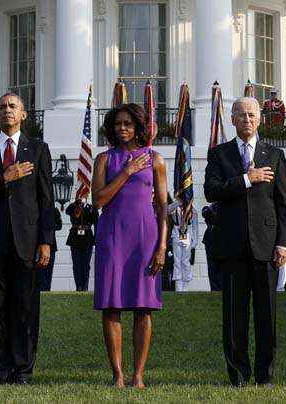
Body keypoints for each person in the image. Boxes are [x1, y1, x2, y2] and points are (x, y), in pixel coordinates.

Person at [0, 92, 55, 385]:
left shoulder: (38, 149)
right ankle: (0, 371)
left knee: (26, 308)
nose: (7, 111)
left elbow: (46, 200)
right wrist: (6, 177)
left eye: (13, 107)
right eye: (2, 107)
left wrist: (46, 241)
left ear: (24, 114)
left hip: (28, 243)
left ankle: (23, 370)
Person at [204, 97, 286, 388]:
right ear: (232, 119)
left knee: (267, 315)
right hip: (232, 245)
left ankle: (265, 375)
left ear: (260, 119)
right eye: (241, 115)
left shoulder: (275, 155)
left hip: (267, 246)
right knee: (234, 316)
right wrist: (246, 178)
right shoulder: (219, 154)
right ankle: (238, 375)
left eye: (252, 115)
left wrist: (283, 243)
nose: (247, 119)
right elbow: (211, 191)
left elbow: (283, 205)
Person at [92, 103, 167, 389]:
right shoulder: (103, 160)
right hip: (112, 237)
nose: (122, 129)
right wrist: (125, 171)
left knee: (143, 308)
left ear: (138, 127)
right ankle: (117, 375)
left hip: (145, 239)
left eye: (127, 124)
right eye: (117, 124)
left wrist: (161, 247)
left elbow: (163, 208)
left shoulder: (156, 159)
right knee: (111, 306)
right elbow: (98, 200)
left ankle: (138, 375)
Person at [65, 198, 98, 292]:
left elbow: (96, 223)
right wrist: (76, 204)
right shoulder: (73, 206)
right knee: (76, 264)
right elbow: (68, 211)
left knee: (86, 265)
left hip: (87, 238)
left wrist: (97, 238)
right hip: (75, 238)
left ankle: (85, 287)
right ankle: (78, 286)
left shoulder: (91, 208)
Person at [169, 202, 198, 292]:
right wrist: (178, 202)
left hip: (187, 236)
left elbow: (195, 226)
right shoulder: (174, 207)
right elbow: (166, 210)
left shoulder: (192, 210)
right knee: (177, 261)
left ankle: (185, 288)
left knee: (185, 261)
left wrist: (195, 241)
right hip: (176, 234)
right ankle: (178, 287)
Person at [38, 205, 61, 292]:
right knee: (41, 269)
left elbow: (59, 226)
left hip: (52, 245)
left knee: (49, 269)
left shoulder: (54, 210)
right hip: (40, 245)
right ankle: (41, 289)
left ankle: (47, 289)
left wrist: (49, 227)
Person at [201, 203, 221, 291]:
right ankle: (214, 288)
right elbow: (205, 212)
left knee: (220, 268)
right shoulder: (211, 208)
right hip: (210, 240)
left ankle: (220, 288)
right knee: (211, 267)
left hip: (220, 240)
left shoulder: (223, 208)